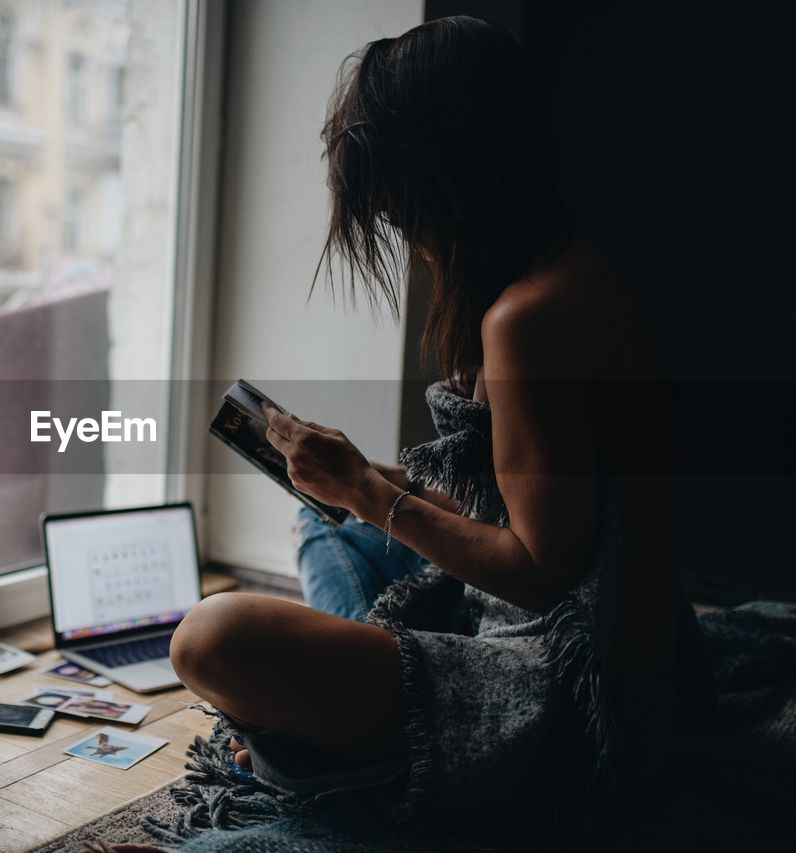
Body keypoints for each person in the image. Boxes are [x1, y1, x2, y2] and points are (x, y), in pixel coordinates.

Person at [169, 15, 685, 826]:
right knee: (329, 527)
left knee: (209, 636)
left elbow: (541, 569)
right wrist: (363, 481)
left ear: (447, 173)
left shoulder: (526, 320)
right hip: (627, 655)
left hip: (569, 700)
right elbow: (533, 504)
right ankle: (335, 715)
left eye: (399, 204)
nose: (402, 234)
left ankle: (333, 731)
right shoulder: (570, 263)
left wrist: (377, 497)